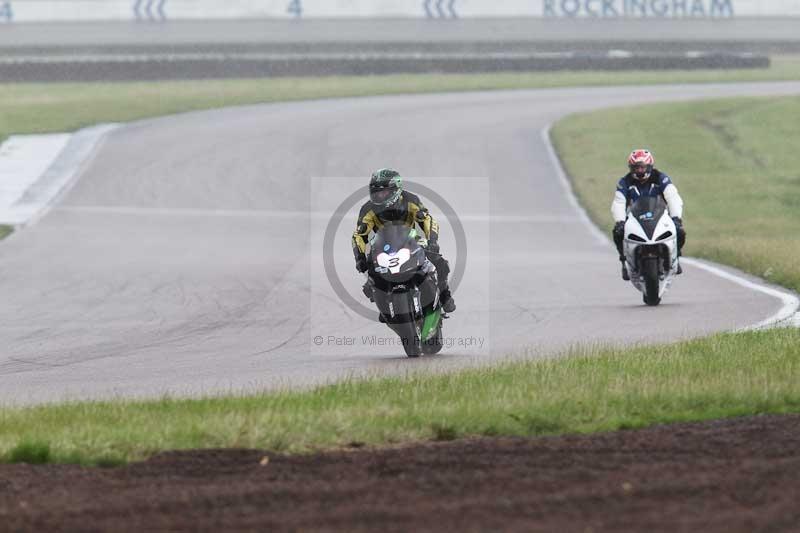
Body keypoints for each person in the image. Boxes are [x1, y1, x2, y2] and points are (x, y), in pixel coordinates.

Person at [352, 168, 456, 313]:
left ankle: (445, 295)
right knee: (370, 282)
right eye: (376, 192)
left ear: (396, 189)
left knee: (440, 262)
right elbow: (359, 235)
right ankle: (385, 308)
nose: (379, 196)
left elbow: (427, 219)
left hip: (410, 240)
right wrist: (360, 257)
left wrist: (432, 240)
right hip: (382, 246)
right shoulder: (367, 209)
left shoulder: (410, 200)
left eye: (384, 192)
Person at [611, 149, 686, 281]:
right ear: (631, 168)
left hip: (660, 216)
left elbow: (673, 197)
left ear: (649, 166)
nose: (639, 171)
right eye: (636, 168)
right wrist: (620, 221)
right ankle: (624, 262)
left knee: (680, 231)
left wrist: (676, 218)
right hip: (635, 218)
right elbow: (619, 202)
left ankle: (676, 257)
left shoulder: (661, 178)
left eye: (642, 167)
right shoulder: (624, 182)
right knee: (617, 233)